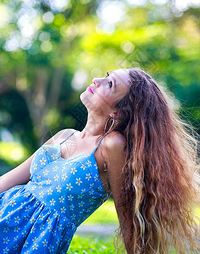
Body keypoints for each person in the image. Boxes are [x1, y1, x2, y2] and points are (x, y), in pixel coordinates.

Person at [0, 67, 199, 254]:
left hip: (36, 240)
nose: (97, 80)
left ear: (118, 112)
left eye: (110, 84)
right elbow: (9, 180)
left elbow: (127, 217)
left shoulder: (111, 146)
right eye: (105, 75)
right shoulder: (64, 135)